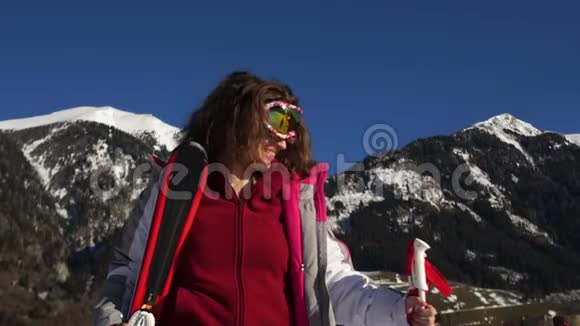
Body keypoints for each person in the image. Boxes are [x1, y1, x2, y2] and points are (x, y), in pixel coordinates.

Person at [93, 71, 437, 326]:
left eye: (294, 127)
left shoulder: (293, 204)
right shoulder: (177, 192)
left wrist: (397, 311)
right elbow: (127, 273)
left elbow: (333, 282)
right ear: (237, 117)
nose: (287, 139)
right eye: (278, 119)